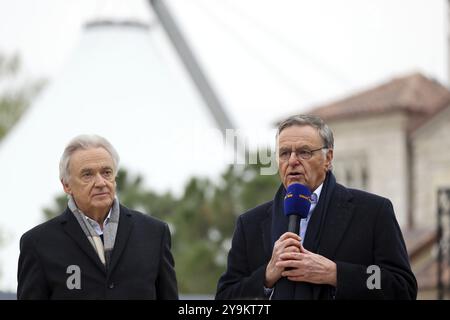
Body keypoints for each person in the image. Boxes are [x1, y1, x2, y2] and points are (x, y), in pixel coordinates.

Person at [215, 115, 417, 300]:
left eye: (304, 152)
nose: (292, 161)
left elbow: (401, 288)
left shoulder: (373, 212)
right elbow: (225, 298)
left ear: (328, 159)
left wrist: (335, 274)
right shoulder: (250, 224)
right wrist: (266, 277)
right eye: (284, 153)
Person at [17, 134, 178, 299]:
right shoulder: (38, 244)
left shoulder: (155, 234)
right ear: (66, 185)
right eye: (87, 175)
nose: (101, 182)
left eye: (106, 172)